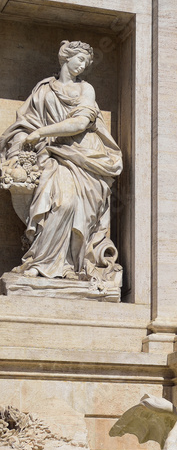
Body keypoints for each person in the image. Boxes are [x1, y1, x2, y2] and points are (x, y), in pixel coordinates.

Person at [0, 40, 123, 287]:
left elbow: (79, 124)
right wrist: (24, 140)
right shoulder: (44, 89)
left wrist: (42, 132)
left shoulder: (86, 89)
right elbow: (25, 124)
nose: (83, 65)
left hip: (84, 157)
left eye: (87, 62)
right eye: (79, 59)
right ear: (65, 58)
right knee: (59, 203)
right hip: (51, 156)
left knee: (73, 206)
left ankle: (71, 266)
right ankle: (40, 263)